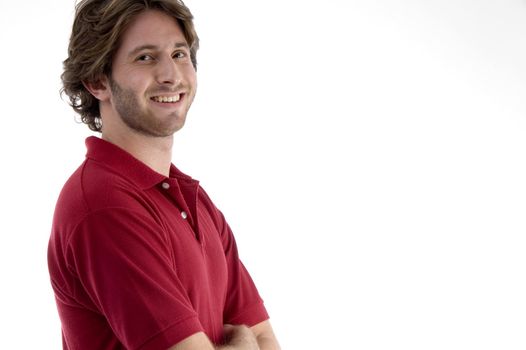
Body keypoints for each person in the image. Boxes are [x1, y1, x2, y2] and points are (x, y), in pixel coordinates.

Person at [47, 0, 280, 349]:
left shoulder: (193, 199)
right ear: (97, 81)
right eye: (145, 57)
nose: (171, 75)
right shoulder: (105, 206)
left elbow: (263, 337)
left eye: (179, 54)